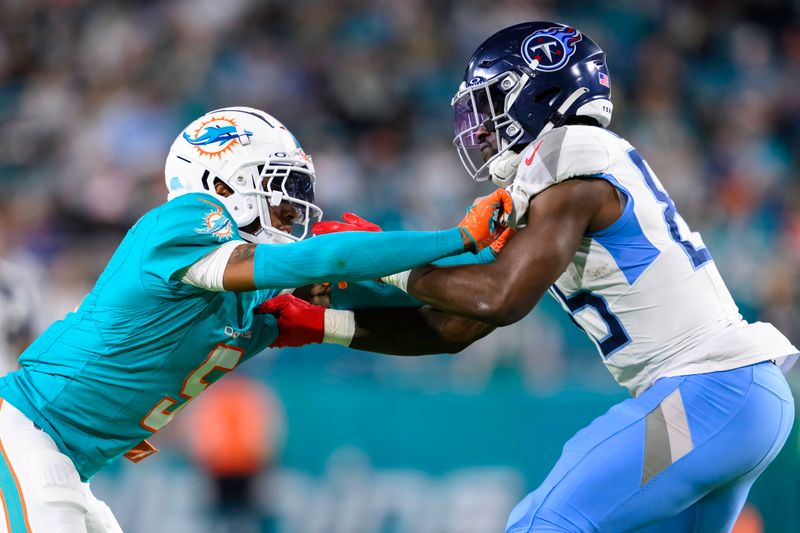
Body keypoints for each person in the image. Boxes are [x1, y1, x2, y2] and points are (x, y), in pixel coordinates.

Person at [262, 24, 798, 532]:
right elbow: (453, 329)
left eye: (492, 102)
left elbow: (499, 297)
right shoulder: (564, 186)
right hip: (739, 397)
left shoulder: (571, 159)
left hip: (710, 391)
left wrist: (383, 260)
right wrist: (321, 324)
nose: (482, 125)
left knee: (544, 524)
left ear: (539, 93)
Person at [0, 106, 509, 532]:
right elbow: (310, 260)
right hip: (25, 429)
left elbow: (441, 326)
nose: (293, 209)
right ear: (221, 181)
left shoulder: (256, 303)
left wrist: (483, 269)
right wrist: (455, 238)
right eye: (279, 185)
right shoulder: (178, 225)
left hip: (69, 461)